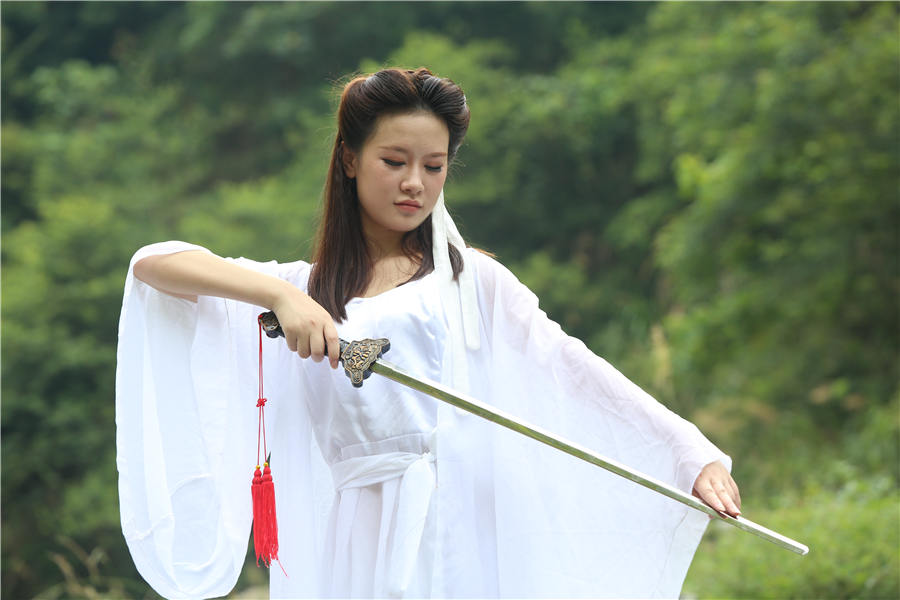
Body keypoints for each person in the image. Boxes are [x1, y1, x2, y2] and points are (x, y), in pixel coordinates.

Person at [116, 67, 740, 600]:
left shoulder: (471, 281)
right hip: (356, 539)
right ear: (350, 160)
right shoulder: (303, 289)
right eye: (394, 161)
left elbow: (571, 367)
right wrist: (280, 296)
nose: (415, 182)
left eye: (433, 166)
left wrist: (688, 451)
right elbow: (154, 263)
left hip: (459, 523)